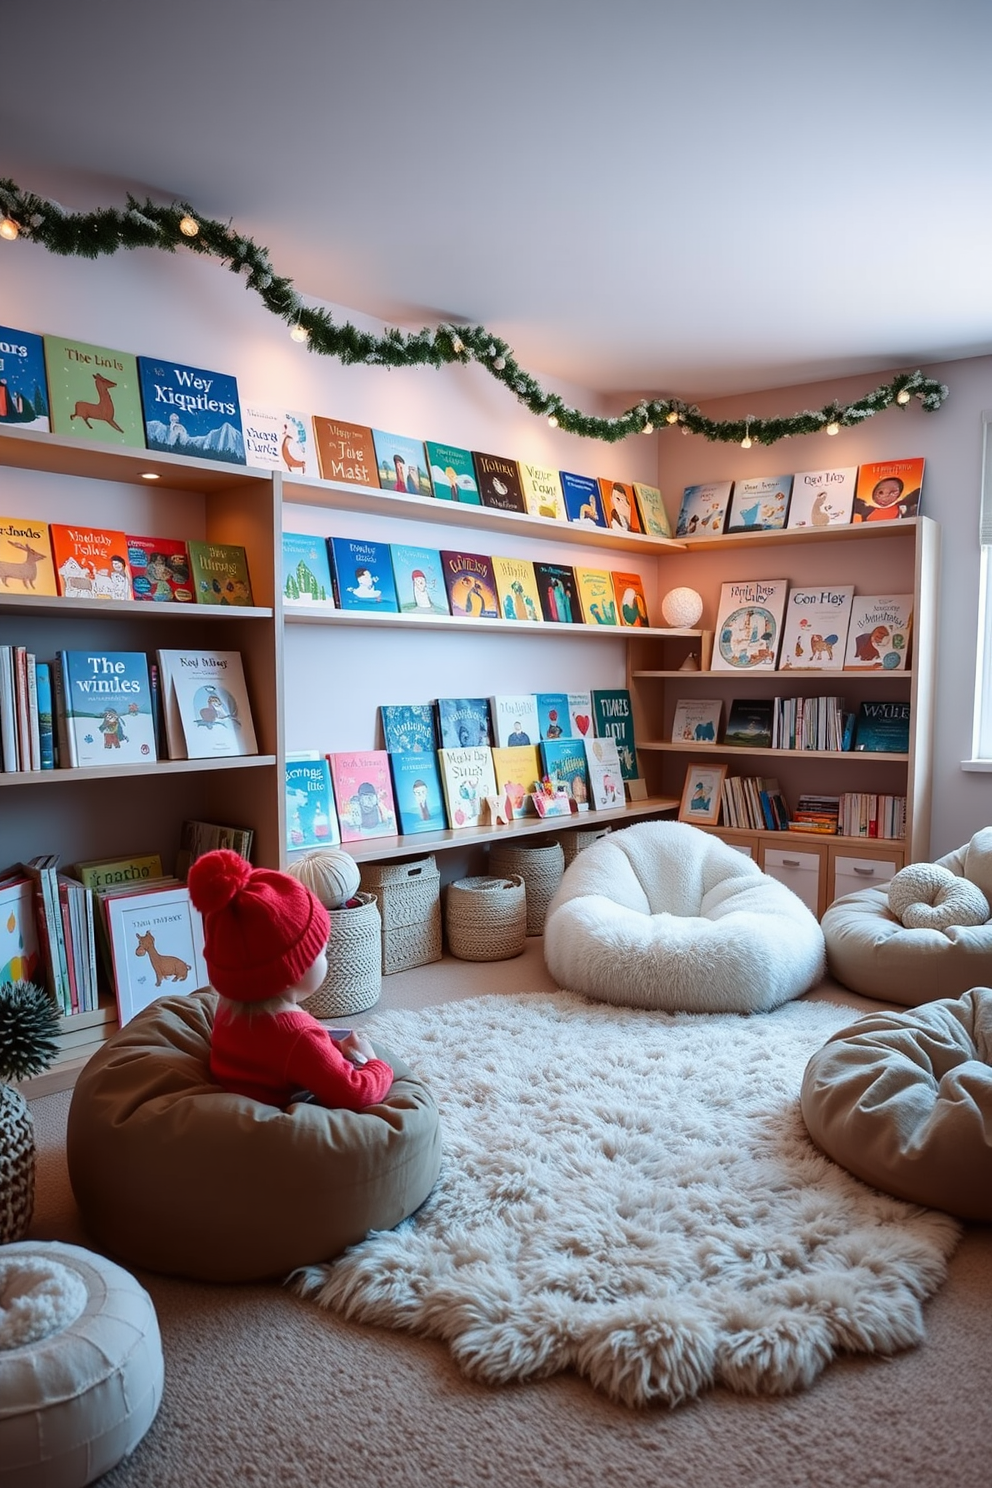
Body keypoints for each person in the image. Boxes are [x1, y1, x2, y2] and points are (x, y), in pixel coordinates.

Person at [187, 849, 393, 1110]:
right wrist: (375, 1063)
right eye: (320, 949)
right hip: (284, 1118)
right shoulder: (299, 1037)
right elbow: (357, 1093)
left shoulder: (229, 1009)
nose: (326, 956)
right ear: (290, 971)